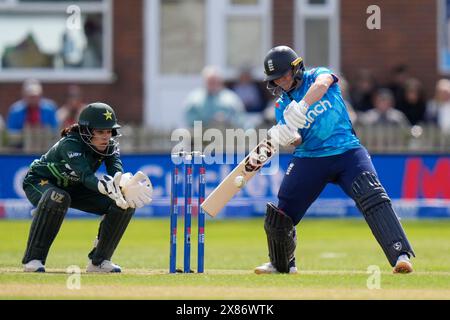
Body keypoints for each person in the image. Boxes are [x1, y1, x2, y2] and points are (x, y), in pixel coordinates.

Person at [255, 46, 415, 275]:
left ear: (296, 67)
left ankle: (401, 255)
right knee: (280, 216)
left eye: (284, 75)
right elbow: (298, 139)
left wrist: (302, 106)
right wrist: (289, 136)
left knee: (372, 195)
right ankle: (281, 265)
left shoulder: (319, 74)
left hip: (347, 152)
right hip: (310, 158)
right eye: (276, 79)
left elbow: (322, 85)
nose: (281, 82)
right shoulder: (282, 106)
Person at [21, 103, 152, 273]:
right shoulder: (71, 144)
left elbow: (116, 170)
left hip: (76, 187)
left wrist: (123, 186)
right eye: (100, 132)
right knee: (57, 197)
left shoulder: (110, 146)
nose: (105, 137)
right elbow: (85, 175)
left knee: (123, 204)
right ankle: (33, 259)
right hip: (41, 181)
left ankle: (99, 261)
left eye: (108, 132)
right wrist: (103, 186)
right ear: (86, 131)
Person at [6, 79, 58, 148]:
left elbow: (55, 129)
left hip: (46, 146)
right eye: (31, 96)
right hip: (20, 148)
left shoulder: (50, 109)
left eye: (36, 96)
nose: (33, 99)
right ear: (24, 95)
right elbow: (10, 132)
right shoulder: (15, 111)